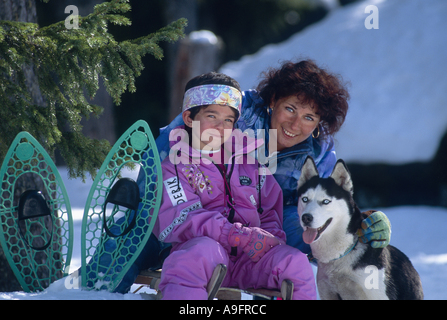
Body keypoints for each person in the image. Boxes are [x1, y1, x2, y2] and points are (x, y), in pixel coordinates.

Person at [153, 59, 391, 255]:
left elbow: (330, 208)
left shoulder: (318, 154)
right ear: (274, 99)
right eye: (290, 109)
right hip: (199, 204)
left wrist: (361, 222)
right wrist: (141, 183)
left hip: (268, 221)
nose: (295, 124)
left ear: (319, 123)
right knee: (148, 233)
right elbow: (171, 140)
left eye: (309, 118)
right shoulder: (239, 108)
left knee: (328, 233)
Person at [153, 72, 316, 299]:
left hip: (249, 259)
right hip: (205, 257)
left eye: (228, 120)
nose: (220, 127)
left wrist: (269, 241)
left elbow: (269, 211)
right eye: (212, 116)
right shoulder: (173, 166)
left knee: (294, 262)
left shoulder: (250, 163)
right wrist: (237, 235)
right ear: (189, 119)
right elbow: (182, 217)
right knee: (197, 254)